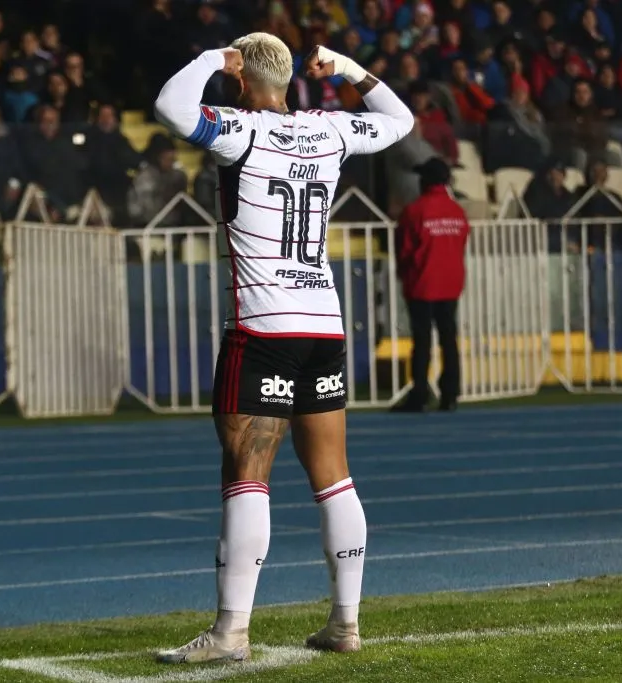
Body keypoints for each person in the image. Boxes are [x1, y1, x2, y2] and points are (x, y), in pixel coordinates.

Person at [152, 34, 413, 663]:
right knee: (334, 477)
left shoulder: (239, 130)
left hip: (263, 328)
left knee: (247, 476)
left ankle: (230, 632)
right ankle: (345, 623)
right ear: (291, 79)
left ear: (243, 80)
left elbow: (170, 106)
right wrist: (348, 67)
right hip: (323, 322)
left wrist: (214, 58)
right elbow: (400, 120)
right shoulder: (328, 131)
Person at [392, 157, 470, 412]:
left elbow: (403, 250)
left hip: (422, 284)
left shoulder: (415, 211)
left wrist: (405, 275)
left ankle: (420, 394)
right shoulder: (457, 211)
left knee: (422, 341)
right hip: (451, 284)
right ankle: (450, 394)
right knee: (449, 339)